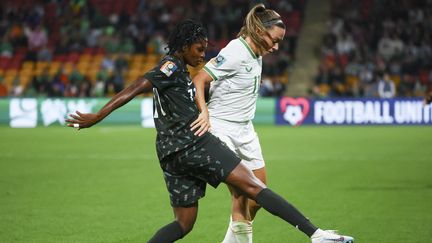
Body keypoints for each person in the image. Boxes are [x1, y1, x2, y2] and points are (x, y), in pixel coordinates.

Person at [66, 19, 354, 243]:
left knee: (183, 224)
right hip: (193, 143)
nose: (203, 55)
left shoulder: (181, 70)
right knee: (255, 187)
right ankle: (316, 234)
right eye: (199, 49)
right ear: (183, 46)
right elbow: (136, 86)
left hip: (169, 154)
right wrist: (98, 115)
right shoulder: (170, 66)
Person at [190, 4, 284, 242]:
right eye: (274, 40)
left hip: (246, 129)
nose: (276, 47)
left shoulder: (256, 51)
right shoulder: (236, 51)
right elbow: (199, 78)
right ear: (260, 32)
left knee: (258, 194)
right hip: (223, 127)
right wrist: (204, 112)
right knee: (242, 195)